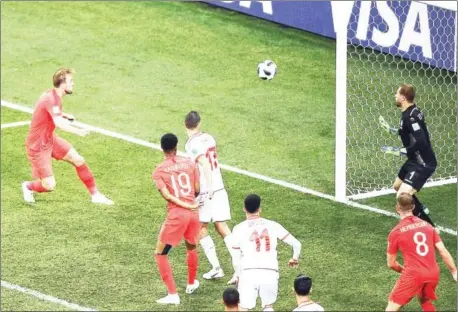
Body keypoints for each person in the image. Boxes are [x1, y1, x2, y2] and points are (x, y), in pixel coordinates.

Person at [21, 68, 113, 205]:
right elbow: (58, 123)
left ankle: (95, 195)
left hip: (49, 139)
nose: (73, 84)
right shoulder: (51, 99)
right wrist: (78, 131)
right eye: (70, 81)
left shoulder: (54, 96)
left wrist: (64, 115)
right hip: (37, 147)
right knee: (49, 185)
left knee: (78, 159)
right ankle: (28, 186)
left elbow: (48, 112)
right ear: (62, 84)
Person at [184, 111, 237, 283]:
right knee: (221, 226)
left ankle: (217, 268)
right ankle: (239, 267)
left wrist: (209, 186)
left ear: (185, 124)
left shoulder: (191, 144)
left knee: (200, 227)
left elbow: (204, 163)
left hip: (208, 190)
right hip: (219, 186)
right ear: (199, 123)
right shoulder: (209, 138)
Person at [385, 193, 457, 312]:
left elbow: (391, 264)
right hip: (433, 273)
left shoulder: (395, 232)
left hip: (413, 274)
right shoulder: (428, 225)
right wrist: (454, 271)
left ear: (397, 208)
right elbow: (443, 251)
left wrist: (405, 271)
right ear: (413, 207)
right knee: (424, 300)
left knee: (392, 306)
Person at [152, 133, 201, 305]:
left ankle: (173, 294)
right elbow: (196, 189)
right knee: (191, 246)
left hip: (177, 215)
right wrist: (190, 204)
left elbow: (167, 196)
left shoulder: (159, 170)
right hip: (194, 214)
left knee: (160, 253)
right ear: (176, 146)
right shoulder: (190, 163)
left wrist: (184, 206)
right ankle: (191, 283)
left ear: (162, 148)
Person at [230, 194, 302, 311]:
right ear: (259, 209)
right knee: (268, 306)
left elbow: (236, 259)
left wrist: (237, 274)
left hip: (248, 272)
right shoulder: (273, 225)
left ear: (244, 208)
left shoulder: (238, 229)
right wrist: (294, 258)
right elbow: (297, 244)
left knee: (243, 308)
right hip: (270, 271)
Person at [379, 84, 437, 227]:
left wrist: (400, 151)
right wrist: (392, 130)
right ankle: (420, 208)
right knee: (397, 186)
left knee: (402, 197)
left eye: (397, 94)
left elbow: (422, 142)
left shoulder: (410, 117)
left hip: (423, 163)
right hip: (413, 160)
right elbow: (407, 131)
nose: (395, 96)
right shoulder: (410, 111)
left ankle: (430, 228)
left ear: (403, 98)